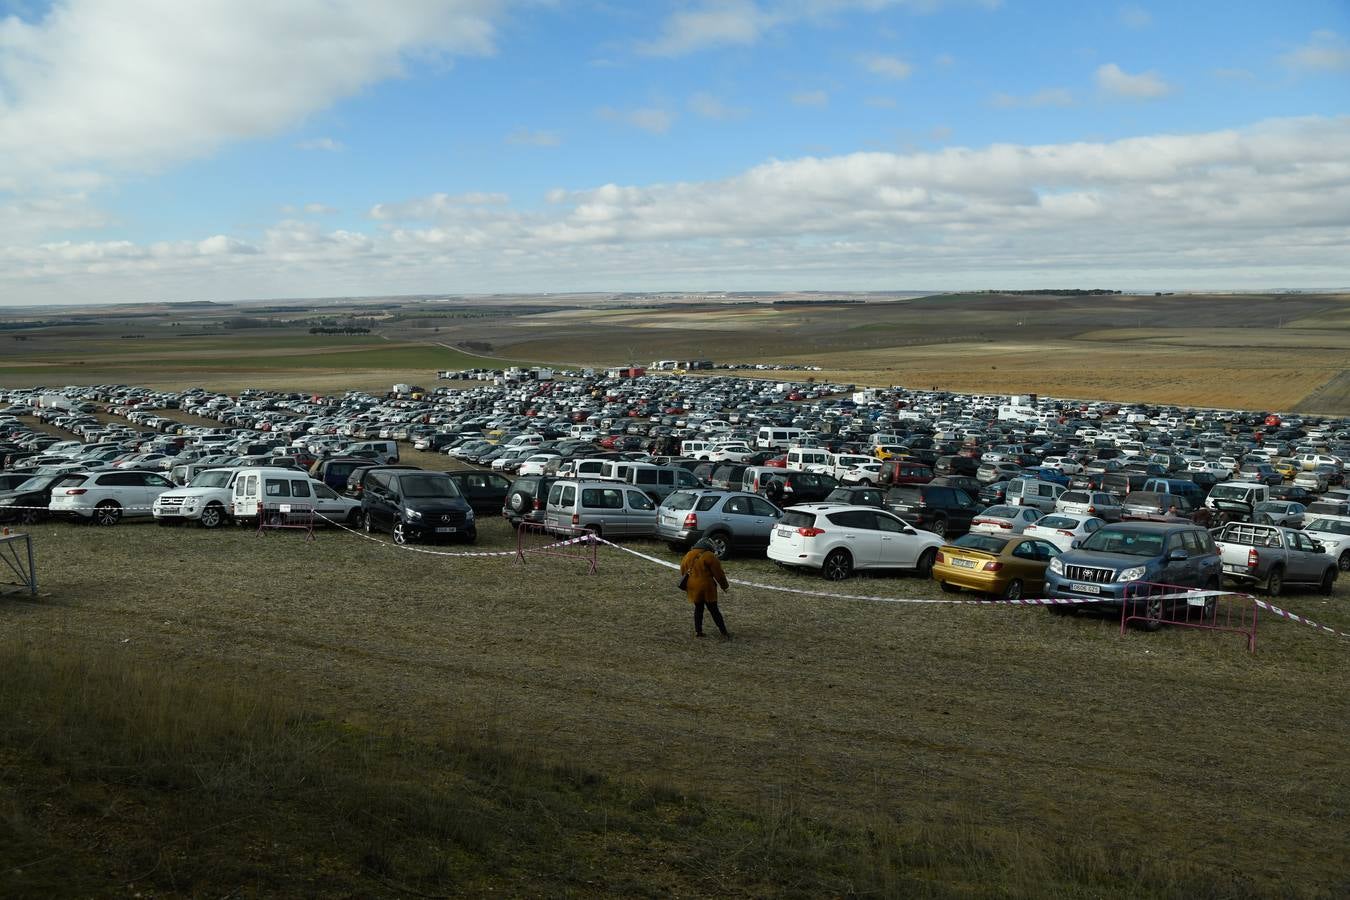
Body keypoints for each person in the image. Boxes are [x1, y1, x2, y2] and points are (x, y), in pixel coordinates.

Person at [681, 537, 730, 638]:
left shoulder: (688, 554)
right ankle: (723, 631)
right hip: (707, 588)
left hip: (693, 587)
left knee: (698, 609)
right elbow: (719, 574)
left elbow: (683, 570)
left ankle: (698, 631)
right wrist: (724, 586)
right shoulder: (709, 556)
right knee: (714, 610)